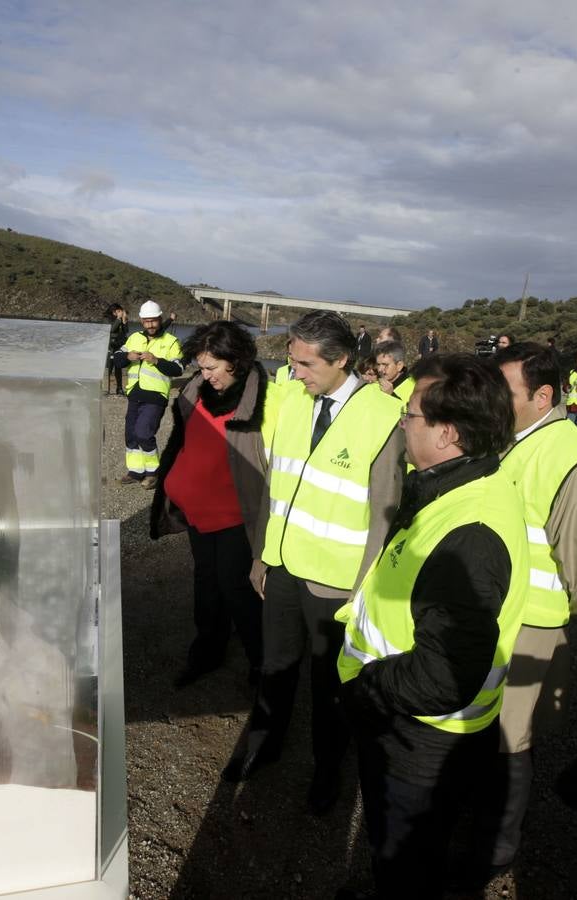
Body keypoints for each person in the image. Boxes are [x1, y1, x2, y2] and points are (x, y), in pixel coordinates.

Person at [336, 353, 529, 898]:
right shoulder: (457, 485)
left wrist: (364, 691)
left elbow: (445, 674)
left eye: (410, 415)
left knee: (407, 860)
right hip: (413, 725)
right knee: (400, 851)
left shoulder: (469, 532)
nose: (401, 422)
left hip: (421, 734)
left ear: (446, 433)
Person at [229, 311, 404, 817]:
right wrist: (262, 554)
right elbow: (274, 488)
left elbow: (383, 514)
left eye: (305, 364)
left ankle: (327, 767)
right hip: (282, 566)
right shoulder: (294, 402)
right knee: (276, 667)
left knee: (330, 686)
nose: (296, 372)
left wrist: (362, 589)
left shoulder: (382, 416)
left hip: (336, 582)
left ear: (342, 360)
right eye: (291, 360)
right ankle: (263, 743)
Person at [475, 343, 577, 881]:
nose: (491, 400)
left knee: (511, 742)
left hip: (529, 626)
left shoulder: (574, 459)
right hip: (489, 619)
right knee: (481, 730)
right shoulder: (503, 437)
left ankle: (497, 846)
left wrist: (559, 612)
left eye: (504, 391)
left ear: (543, 396)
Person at [150, 321, 276, 689]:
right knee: (206, 584)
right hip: (198, 515)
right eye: (201, 367)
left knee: (238, 589)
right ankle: (207, 651)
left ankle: (263, 663)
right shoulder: (197, 388)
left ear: (235, 360)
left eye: (212, 368)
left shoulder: (267, 400)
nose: (204, 375)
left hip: (236, 516)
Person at [112, 301, 184, 488]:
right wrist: (127, 357)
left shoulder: (171, 342)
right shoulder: (134, 338)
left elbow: (178, 369)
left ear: (160, 319)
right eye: (147, 321)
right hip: (134, 394)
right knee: (131, 434)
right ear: (142, 321)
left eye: (154, 321)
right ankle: (135, 472)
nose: (150, 325)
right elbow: (117, 360)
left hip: (156, 397)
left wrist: (157, 360)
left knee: (144, 432)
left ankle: (153, 472)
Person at [105, 304, 129, 395]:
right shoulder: (107, 319)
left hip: (119, 346)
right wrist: (118, 319)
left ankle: (119, 388)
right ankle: (106, 389)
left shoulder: (122, 319)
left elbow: (126, 331)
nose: (121, 313)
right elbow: (111, 329)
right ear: (113, 311)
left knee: (118, 367)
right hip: (110, 346)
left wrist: (124, 321)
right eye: (119, 311)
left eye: (121, 311)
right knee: (109, 368)